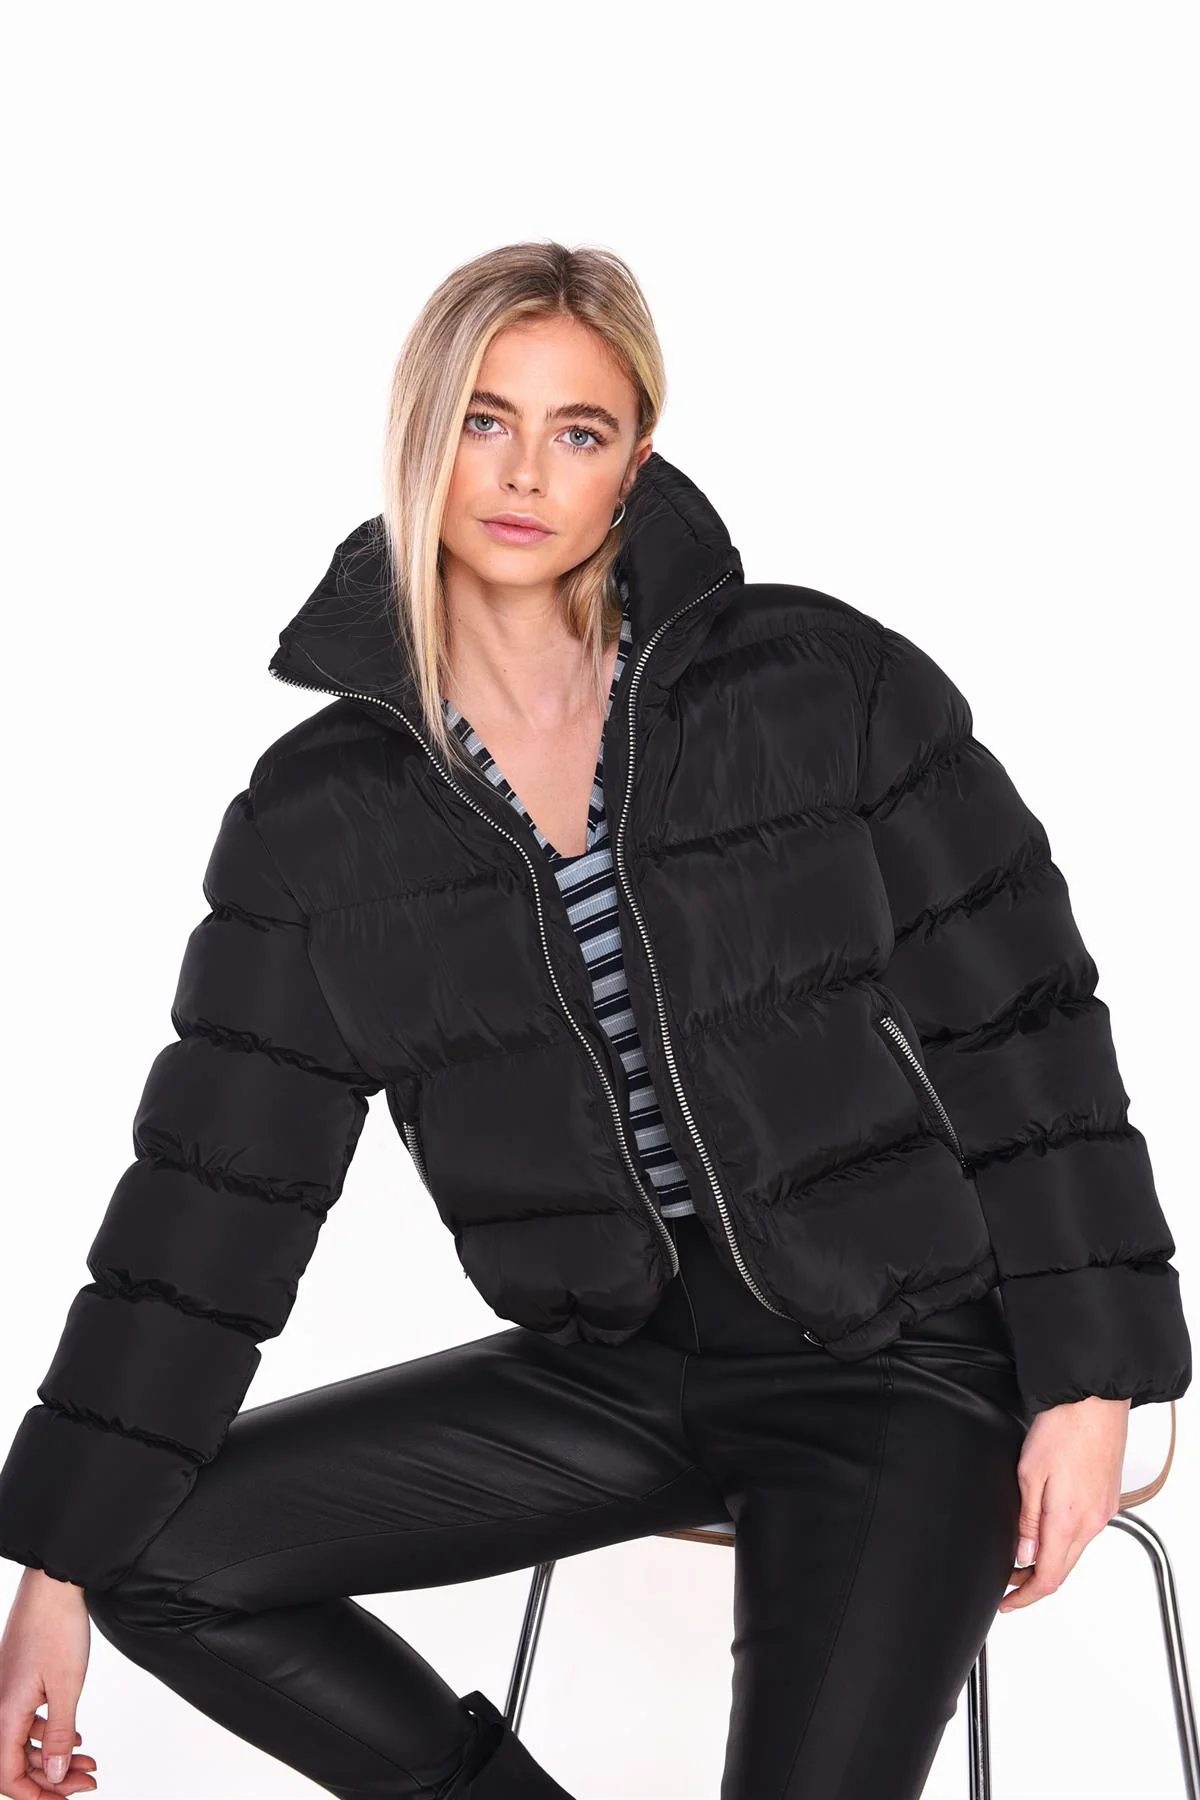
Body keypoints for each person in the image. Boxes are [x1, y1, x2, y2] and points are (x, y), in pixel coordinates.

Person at [0, 239, 1190, 1800]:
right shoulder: (319, 819)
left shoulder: (819, 683)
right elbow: (208, 1204)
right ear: (422, 433)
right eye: (485, 420)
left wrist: (1091, 1381)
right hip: (622, 1363)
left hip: (900, 1357)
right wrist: (60, 1569)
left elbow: (1027, 1030)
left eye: (579, 430)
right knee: (167, 1560)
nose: (524, 473)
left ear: (634, 460)